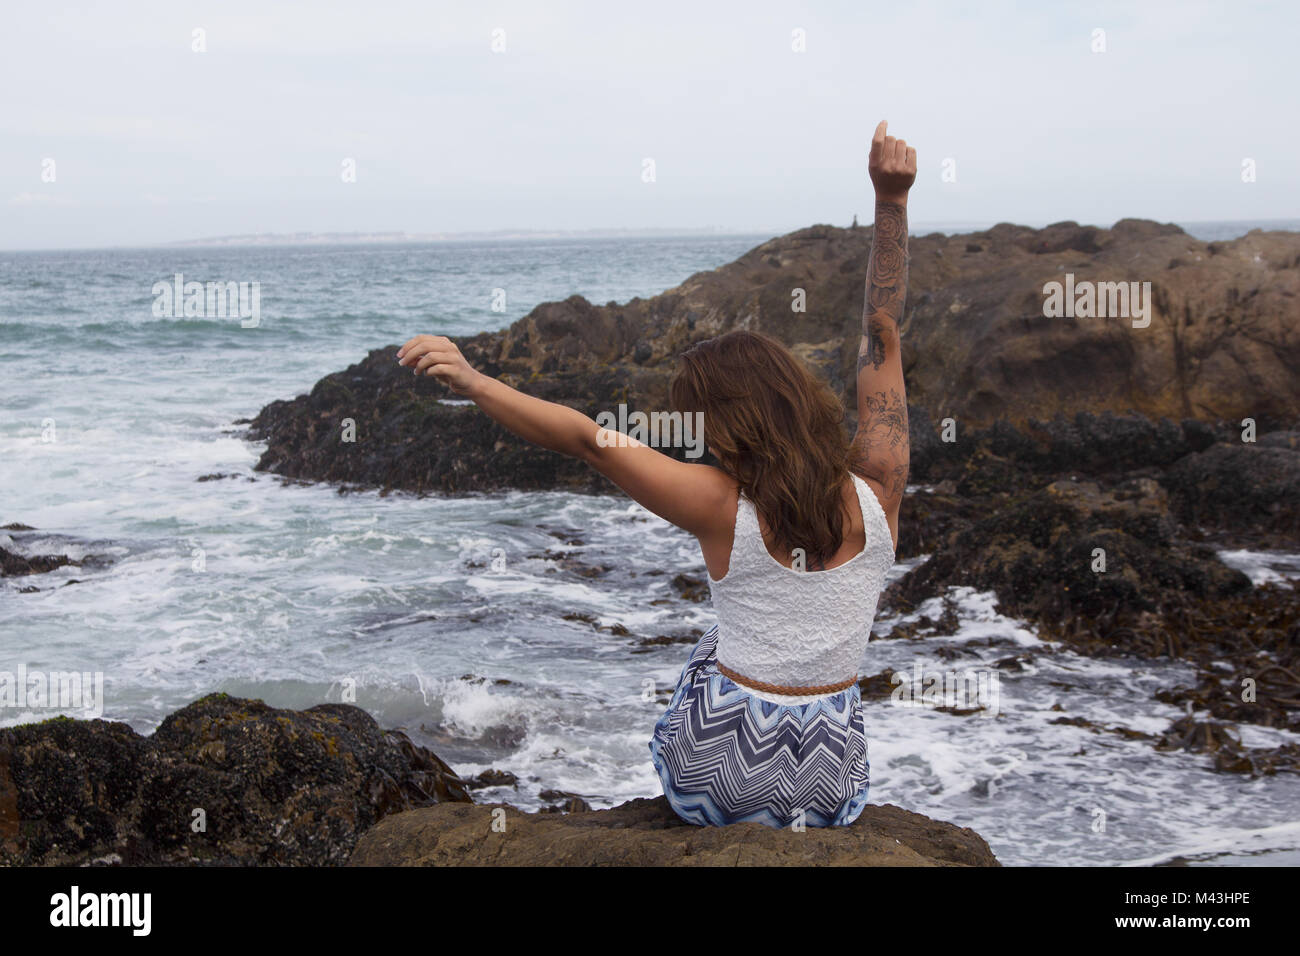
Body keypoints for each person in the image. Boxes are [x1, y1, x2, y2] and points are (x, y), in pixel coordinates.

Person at [397, 120, 916, 828]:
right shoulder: (881, 486)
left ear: (729, 425)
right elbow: (882, 331)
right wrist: (892, 200)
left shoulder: (719, 506)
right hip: (828, 790)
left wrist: (474, 380)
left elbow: (589, 440)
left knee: (711, 654)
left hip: (724, 785)